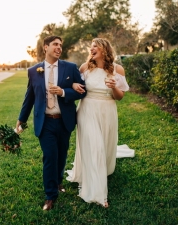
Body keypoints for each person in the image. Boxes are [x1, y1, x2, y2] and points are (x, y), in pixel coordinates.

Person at [15, 35, 86, 211]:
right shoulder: (34, 71)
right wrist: (21, 120)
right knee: (50, 157)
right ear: (45, 47)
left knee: (61, 155)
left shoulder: (70, 68)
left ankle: (59, 181)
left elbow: (82, 91)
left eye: (60, 45)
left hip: (64, 121)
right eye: (55, 44)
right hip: (45, 122)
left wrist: (63, 92)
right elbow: (29, 98)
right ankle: (50, 195)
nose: (59, 48)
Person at [66, 38, 134, 208]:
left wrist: (113, 87)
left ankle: (102, 171)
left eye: (95, 46)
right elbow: (74, 86)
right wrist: (74, 85)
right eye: (91, 47)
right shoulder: (84, 68)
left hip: (107, 112)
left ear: (104, 49)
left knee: (104, 145)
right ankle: (97, 193)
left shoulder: (117, 69)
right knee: (94, 147)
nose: (92, 49)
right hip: (87, 110)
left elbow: (119, 97)